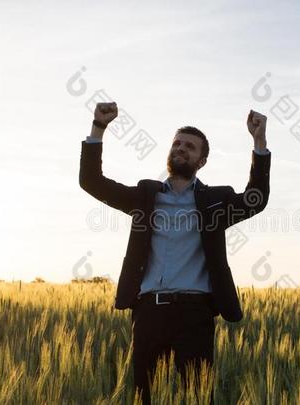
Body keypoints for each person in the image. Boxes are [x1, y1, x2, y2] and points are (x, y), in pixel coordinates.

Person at [79, 102, 271, 404]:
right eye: (177, 143)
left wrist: (259, 143)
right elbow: (92, 182)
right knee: (145, 397)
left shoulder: (215, 201)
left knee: (196, 397)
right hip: (148, 313)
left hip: (194, 315)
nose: (181, 148)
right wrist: (98, 128)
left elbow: (255, 200)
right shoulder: (144, 195)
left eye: (190, 146)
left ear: (202, 160)